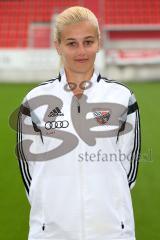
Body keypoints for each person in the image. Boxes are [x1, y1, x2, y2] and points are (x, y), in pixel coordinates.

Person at [17, 6, 141, 240]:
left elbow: (128, 166)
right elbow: (29, 169)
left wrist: (109, 207)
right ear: (58, 46)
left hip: (113, 231)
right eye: (72, 43)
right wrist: (51, 212)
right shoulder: (35, 101)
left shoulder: (122, 98)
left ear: (98, 43)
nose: (81, 51)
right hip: (51, 232)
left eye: (88, 41)